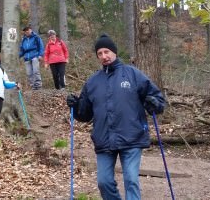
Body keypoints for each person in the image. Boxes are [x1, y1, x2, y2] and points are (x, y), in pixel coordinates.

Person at [66, 34, 166, 200]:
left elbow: (157, 100)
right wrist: (75, 106)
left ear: (114, 52)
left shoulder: (133, 74)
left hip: (132, 136)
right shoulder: (92, 82)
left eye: (107, 51)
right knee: (103, 182)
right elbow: (84, 114)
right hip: (104, 139)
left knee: (131, 180)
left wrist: (154, 103)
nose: (104, 56)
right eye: (100, 53)